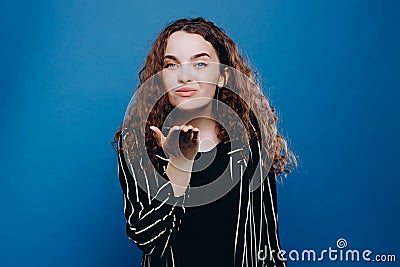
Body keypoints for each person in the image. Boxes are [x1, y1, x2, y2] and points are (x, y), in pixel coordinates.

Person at [114, 17, 296, 267]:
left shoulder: (251, 145)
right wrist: (179, 164)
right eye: (171, 65)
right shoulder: (139, 146)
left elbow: (267, 244)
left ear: (222, 76)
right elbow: (148, 239)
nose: (185, 76)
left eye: (200, 63)